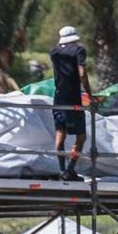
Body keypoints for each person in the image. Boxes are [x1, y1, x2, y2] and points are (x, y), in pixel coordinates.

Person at [48, 25, 93, 181]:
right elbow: (82, 74)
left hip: (58, 98)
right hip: (74, 99)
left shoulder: (54, 52)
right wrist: (90, 94)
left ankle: (61, 170)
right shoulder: (79, 51)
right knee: (80, 137)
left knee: (60, 135)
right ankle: (70, 169)